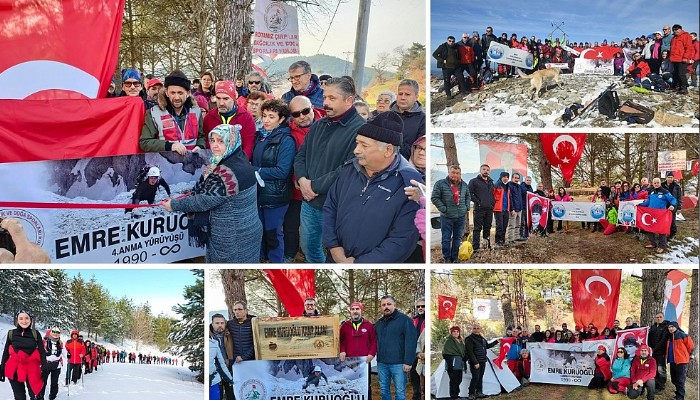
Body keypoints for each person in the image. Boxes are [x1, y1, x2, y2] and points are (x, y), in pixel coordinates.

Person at [323, 111, 422, 263]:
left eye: (364, 145)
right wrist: (334, 247)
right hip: (335, 259)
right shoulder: (350, 169)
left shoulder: (410, 184)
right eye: (357, 143)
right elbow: (330, 206)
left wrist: (358, 264)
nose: (356, 150)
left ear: (388, 150)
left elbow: (401, 240)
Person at [162, 124, 262, 263]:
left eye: (221, 141)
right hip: (247, 229)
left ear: (231, 141)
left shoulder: (226, 173)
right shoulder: (238, 158)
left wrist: (174, 205)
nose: (214, 145)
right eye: (213, 140)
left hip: (231, 237)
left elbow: (203, 201)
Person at [293, 77, 364, 263]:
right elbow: (301, 155)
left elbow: (350, 168)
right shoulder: (319, 124)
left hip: (335, 206)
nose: (325, 103)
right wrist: (302, 180)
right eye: (325, 97)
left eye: (332, 98)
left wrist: (313, 186)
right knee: (308, 245)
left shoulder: (361, 130)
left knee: (338, 253)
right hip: (309, 201)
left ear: (349, 100)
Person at [252, 99, 295, 263]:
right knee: (259, 231)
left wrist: (256, 171)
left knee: (273, 233)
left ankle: (277, 263)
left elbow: (282, 171)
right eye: (264, 116)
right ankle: (261, 259)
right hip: (258, 193)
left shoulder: (286, 140)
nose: (266, 120)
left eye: (271, 116)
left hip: (276, 195)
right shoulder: (260, 136)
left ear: (281, 119)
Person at [140, 69, 206, 155]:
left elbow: (201, 136)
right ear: (166, 92)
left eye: (180, 93)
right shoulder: (153, 113)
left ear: (188, 93)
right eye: (173, 93)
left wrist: (200, 146)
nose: (176, 97)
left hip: (192, 164)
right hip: (166, 164)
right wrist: (170, 146)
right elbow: (145, 142)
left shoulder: (196, 111)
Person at [374, 295, 417, 400]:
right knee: (384, 390)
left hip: (399, 363)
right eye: (383, 305)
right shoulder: (379, 323)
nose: (386, 307)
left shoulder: (405, 320)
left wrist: (408, 361)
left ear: (394, 305)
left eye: (389, 304)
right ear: (381, 307)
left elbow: (411, 341)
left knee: (400, 392)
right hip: (382, 363)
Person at [203, 80, 257, 161]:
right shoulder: (209, 117)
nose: (221, 103)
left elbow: (248, 146)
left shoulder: (246, 117)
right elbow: (206, 143)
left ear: (234, 99)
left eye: (225, 99)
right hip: (214, 164)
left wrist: (239, 163)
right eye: (218, 98)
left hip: (238, 165)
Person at [0, 311, 47, 400]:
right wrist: (2, 367)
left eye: (26, 318)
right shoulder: (11, 333)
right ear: (17, 320)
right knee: (19, 397)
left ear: (30, 320)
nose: (24, 321)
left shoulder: (35, 333)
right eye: (21, 318)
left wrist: (44, 367)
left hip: (32, 368)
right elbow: (6, 351)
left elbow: (42, 351)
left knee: (35, 395)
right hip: (15, 368)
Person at [432, 165, 470, 263]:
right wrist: (443, 209)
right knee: (446, 238)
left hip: (460, 216)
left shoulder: (464, 185)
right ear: (449, 172)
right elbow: (435, 198)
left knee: (457, 238)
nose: (455, 175)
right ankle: (447, 258)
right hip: (447, 216)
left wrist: (466, 207)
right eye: (453, 172)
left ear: (460, 174)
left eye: (457, 173)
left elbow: (468, 196)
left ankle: (455, 257)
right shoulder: (440, 184)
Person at [339, 301, 376, 400]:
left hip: (364, 362)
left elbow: (374, 341)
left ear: (361, 310)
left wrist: (372, 353)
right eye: (353, 309)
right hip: (349, 362)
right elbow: (340, 341)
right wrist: (342, 350)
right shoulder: (345, 326)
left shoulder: (368, 325)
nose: (355, 311)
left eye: (357, 309)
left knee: (365, 385)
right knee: (350, 385)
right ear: (350, 311)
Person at [639, 177, 677, 253]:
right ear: (652, 183)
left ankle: (661, 246)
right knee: (649, 228)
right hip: (651, 213)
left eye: (658, 183)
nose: (656, 184)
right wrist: (639, 205)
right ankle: (653, 243)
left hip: (660, 214)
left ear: (660, 183)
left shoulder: (665, 191)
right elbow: (647, 202)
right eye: (655, 183)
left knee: (661, 230)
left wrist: (672, 205)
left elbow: (673, 199)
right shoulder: (651, 191)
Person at [390, 79, 425, 160]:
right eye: (400, 94)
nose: (403, 97)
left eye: (407, 94)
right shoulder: (386, 116)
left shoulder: (423, 120)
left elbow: (417, 152)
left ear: (416, 97)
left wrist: (393, 139)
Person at [465, 324, 497, 399]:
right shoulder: (469, 339)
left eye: (477, 328)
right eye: (474, 328)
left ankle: (479, 392)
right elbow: (470, 352)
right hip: (475, 361)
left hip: (483, 360)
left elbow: (487, 346)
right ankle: (471, 393)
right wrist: (475, 362)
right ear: (472, 329)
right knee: (475, 377)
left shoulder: (482, 338)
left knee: (480, 377)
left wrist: (496, 341)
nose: (476, 330)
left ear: (480, 329)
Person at [468, 164, 495, 251]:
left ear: (489, 172)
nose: (486, 171)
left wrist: (492, 203)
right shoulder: (474, 181)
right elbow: (470, 194)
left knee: (487, 227)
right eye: (484, 169)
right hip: (479, 209)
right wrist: (478, 202)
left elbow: (492, 194)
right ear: (480, 170)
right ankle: (476, 247)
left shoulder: (491, 182)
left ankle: (486, 245)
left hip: (489, 209)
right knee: (477, 228)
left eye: (487, 170)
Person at [667, 321, 695, 400]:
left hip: (681, 361)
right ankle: (678, 394)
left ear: (676, 326)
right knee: (674, 379)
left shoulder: (683, 335)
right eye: (669, 327)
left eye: (672, 327)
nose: (670, 328)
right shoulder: (669, 337)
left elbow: (691, 346)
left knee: (680, 380)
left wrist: (691, 355)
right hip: (673, 361)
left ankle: (680, 397)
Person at [209, 314, 233, 400]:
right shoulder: (209, 337)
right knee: (218, 396)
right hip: (215, 372)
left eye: (222, 323)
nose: (220, 325)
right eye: (217, 323)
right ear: (212, 324)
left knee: (231, 395)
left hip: (229, 369)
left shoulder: (230, 335)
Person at [37, 327, 61, 400]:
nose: (55, 334)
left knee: (54, 382)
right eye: (53, 332)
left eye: (57, 333)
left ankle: (53, 396)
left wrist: (68, 355)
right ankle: (40, 396)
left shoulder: (60, 343)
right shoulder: (44, 341)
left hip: (56, 365)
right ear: (50, 333)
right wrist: (44, 355)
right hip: (46, 364)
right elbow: (38, 352)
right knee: (43, 382)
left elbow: (64, 354)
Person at [669, 24, 694, 94]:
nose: (675, 30)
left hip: (681, 59)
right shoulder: (673, 38)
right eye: (673, 29)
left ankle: (684, 88)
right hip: (674, 59)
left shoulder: (686, 36)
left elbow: (688, 47)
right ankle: (678, 87)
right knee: (676, 74)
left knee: (681, 74)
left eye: (676, 29)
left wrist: (685, 57)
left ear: (680, 29)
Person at [442, 326, 465, 400]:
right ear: (451, 333)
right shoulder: (449, 341)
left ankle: (457, 395)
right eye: (454, 332)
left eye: (457, 332)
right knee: (454, 381)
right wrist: (450, 365)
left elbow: (463, 352)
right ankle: (453, 396)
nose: (456, 333)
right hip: (452, 363)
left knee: (459, 380)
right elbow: (445, 354)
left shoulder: (460, 341)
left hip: (459, 364)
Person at [648, 313, 669, 392]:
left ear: (663, 317)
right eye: (657, 317)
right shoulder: (653, 327)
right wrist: (650, 348)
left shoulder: (665, 327)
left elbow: (663, 341)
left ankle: (661, 387)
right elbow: (649, 338)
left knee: (661, 369)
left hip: (660, 352)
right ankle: (655, 384)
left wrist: (654, 349)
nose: (658, 318)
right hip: (652, 352)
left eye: (660, 317)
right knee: (654, 368)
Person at [410, 299, 425, 400]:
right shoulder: (413, 320)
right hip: (413, 350)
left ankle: (424, 394)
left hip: (424, 350)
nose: (420, 308)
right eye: (418, 307)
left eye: (423, 306)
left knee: (423, 374)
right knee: (413, 373)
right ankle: (416, 394)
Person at [661, 171, 682, 239]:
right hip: (663, 206)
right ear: (666, 178)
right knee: (663, 220)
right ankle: (664, 233)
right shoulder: (662, 185)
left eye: (671, 177)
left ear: (673, 178)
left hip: (673, 206)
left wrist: (679, 208)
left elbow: (679, 197)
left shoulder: (677, 186)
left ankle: (672, 234)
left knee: (672, 221)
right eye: (669, 177)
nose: (670, 179)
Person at [493, 171, 511, 248]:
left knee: (504, 226)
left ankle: (502, 241)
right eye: (504, 177)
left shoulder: (507, 186)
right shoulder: (496, 185)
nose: (506, 178)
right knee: (499, 226)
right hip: (498, 209)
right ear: (501, 177)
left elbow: (509, 198)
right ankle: (497, 242)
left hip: (506, 209)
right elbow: (492, 196)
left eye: (507, 177)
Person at [507, 173, 524, 244]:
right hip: (513, 209)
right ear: (512, 178)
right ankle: (511, 239)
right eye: (515, 178)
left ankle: (517, 237)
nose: (516, 179)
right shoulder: (509, 186)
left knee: (518, 224)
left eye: (518, 178)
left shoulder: (519, 187)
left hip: (519, 209)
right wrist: (512, 209)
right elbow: (510, 198)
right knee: (512, 225)